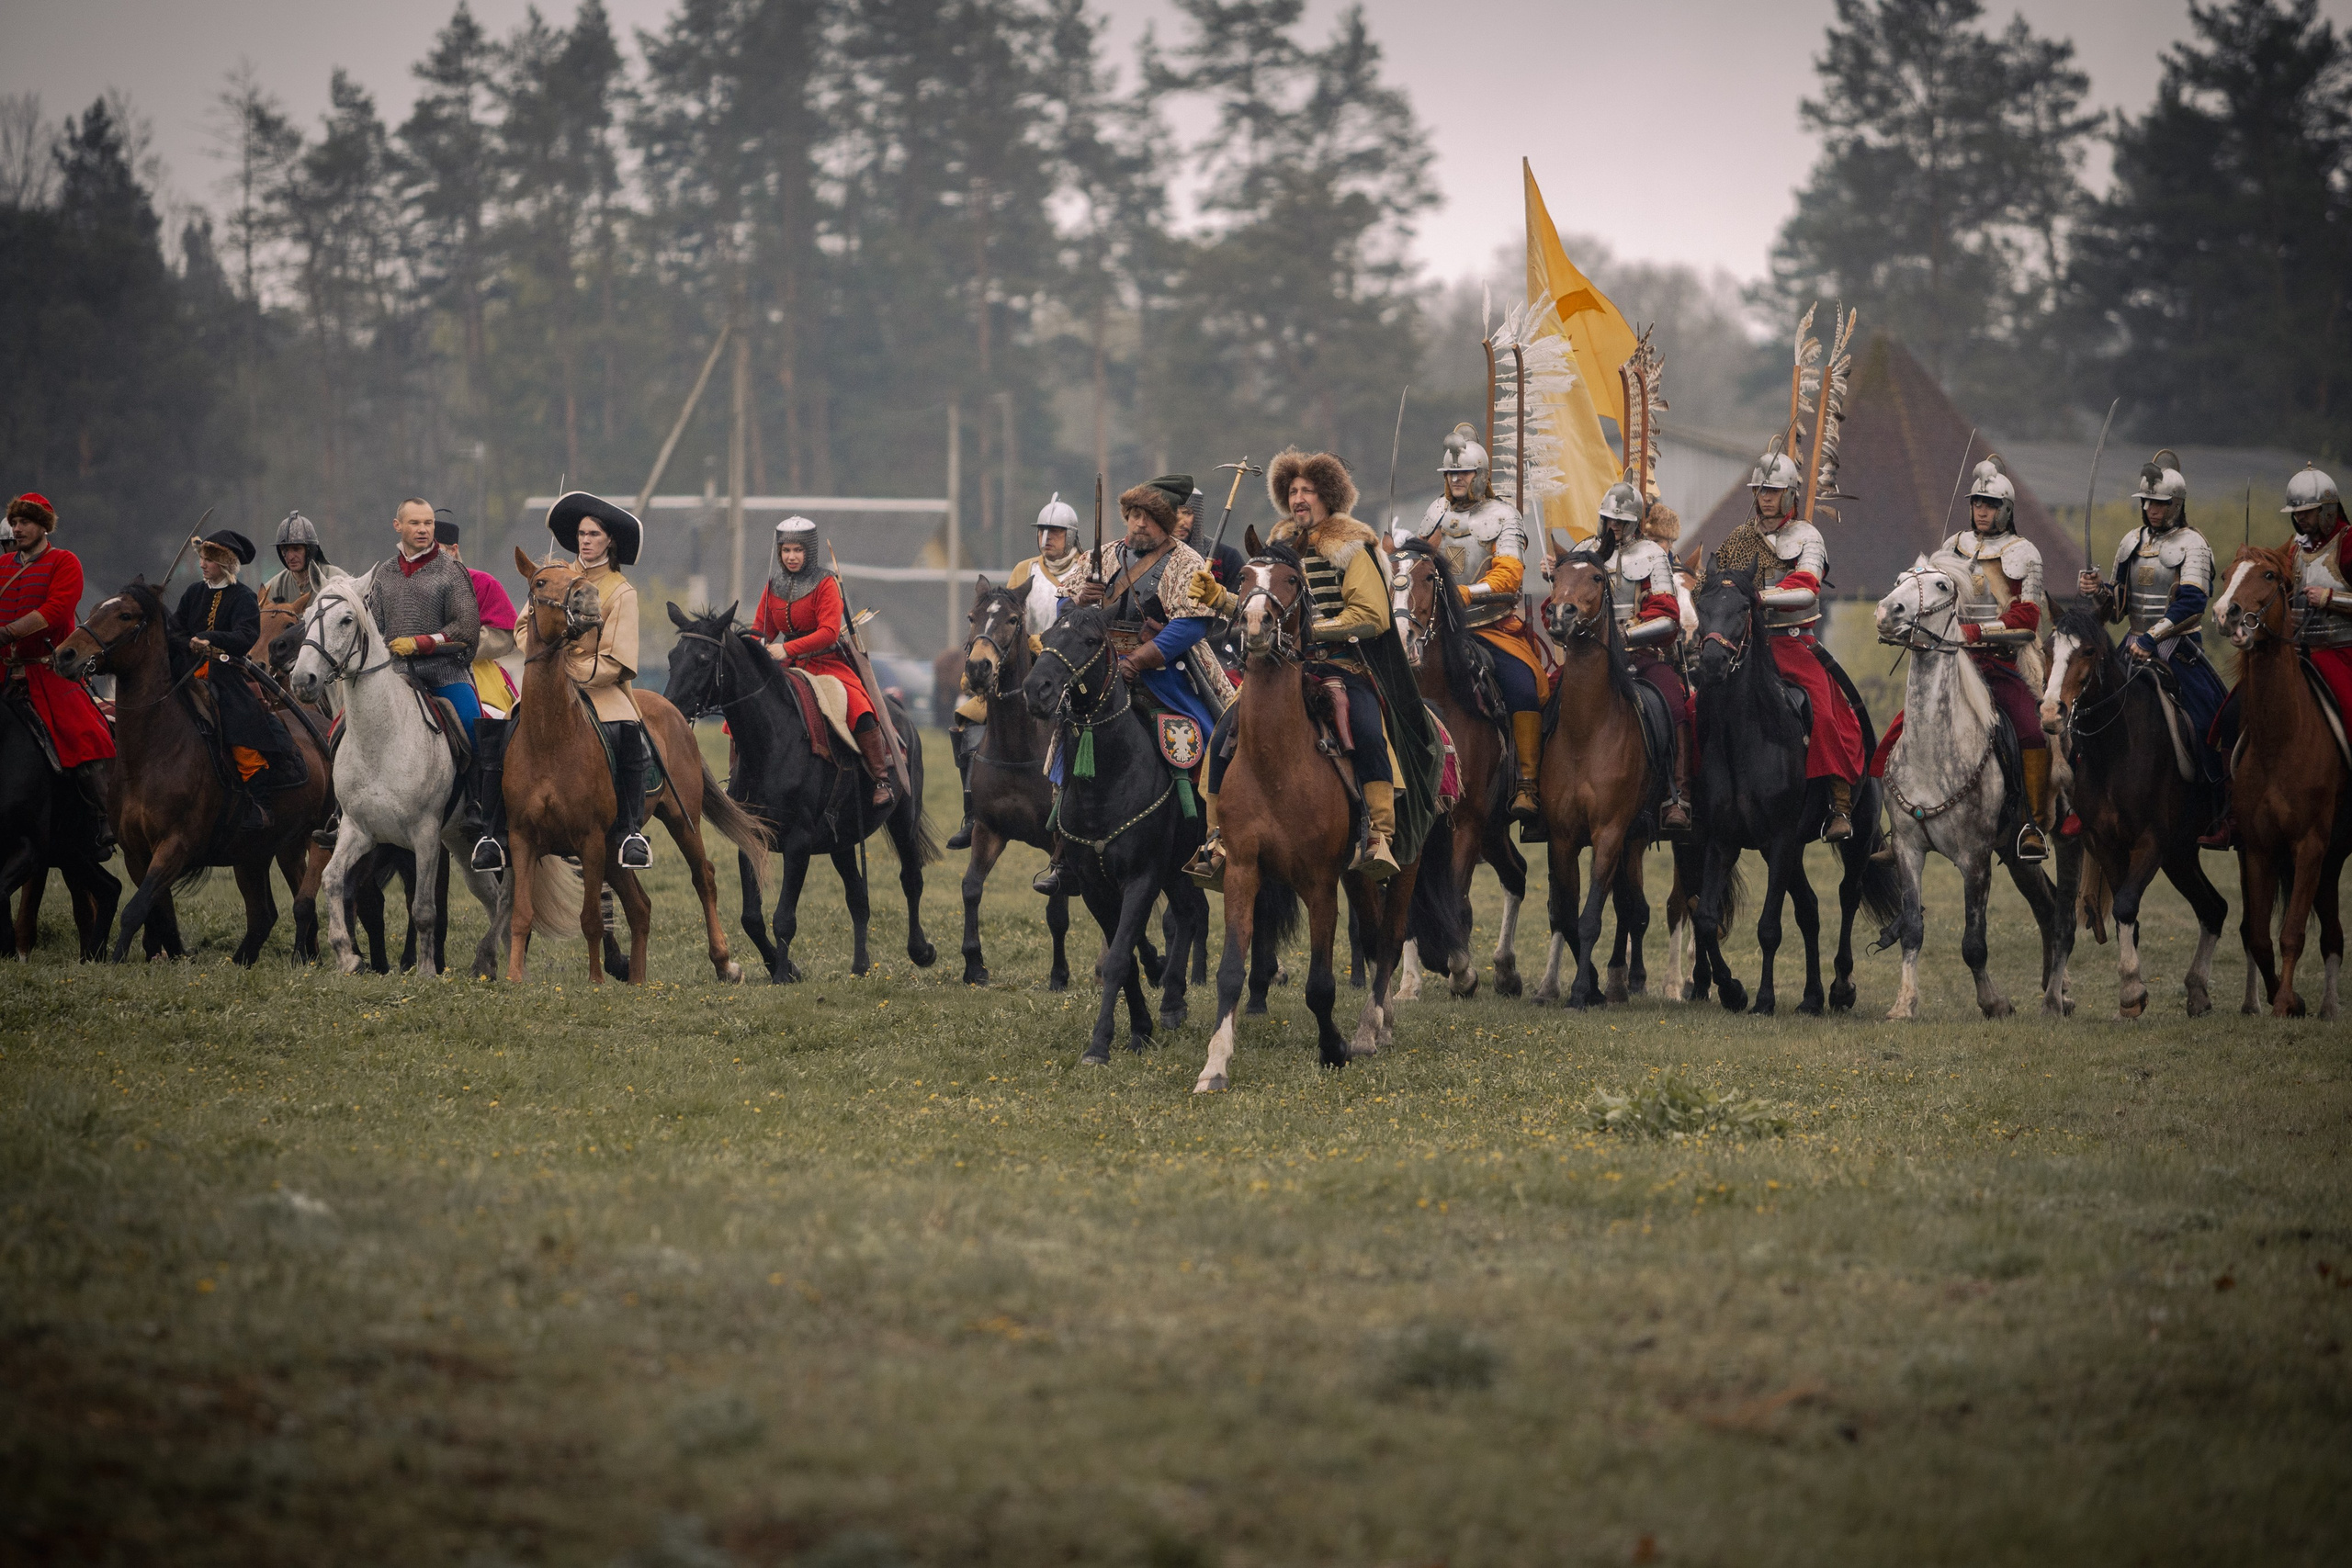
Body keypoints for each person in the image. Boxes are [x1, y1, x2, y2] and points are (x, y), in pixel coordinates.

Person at [1189, 450, 1435, 885]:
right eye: (1292, 491)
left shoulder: (1353, 544)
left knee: (1366, 728)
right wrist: (1218, 598)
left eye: (1308, 491)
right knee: (1225, 730)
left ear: (1329, 496)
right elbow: (1263, 610)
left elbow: (1372, 615)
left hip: (1340, 665)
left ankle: (1379, 834)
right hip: (1285, 667)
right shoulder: (1279, 544)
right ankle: (1216, 839)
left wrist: (1312, 631)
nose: (1298, 498)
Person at [1030, 475, 1223, 896]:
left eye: (1148, 517)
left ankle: (1215, 835)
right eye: (1134, 515)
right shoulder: (1101, 556)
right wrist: (1079, 601)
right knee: (1064, 744)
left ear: (1166, 522)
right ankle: (1065, 851)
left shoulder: (1186, 562)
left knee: (1210, 738)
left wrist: (1137, 661)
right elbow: (1065, 608)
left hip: (1162, 675)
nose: (1138, 523)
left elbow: (1191, 626)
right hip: (1096, 674)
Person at [2077, 448, 2228, 843]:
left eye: (2159, 504)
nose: (2151, 510)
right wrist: (2098, 591)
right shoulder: (2131, 542)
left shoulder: (2193, 544)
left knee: (2210, 720)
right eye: (2146, 502)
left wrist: (2151, 637)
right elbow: (2117, 608)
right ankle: (2083, 802)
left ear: (2176, 504)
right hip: (2131, 643)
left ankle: (2221, 810)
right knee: (2085, 709)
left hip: (2178, 647)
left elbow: (2192, 603)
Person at [1408, 422, 1548, 826]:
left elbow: (1509, 575)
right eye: (1451, 473)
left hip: (1489, 627)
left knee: (1524, 686)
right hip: (1437, 628)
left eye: (1464, 473)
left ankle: (1526, 782)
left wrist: (1467, 593)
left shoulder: (1503, 516)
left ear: (1481, 475)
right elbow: (1417, 563)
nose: (1456, 479)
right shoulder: (1436, 512)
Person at [1724, 449, 1867, 840]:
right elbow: (1719, 585)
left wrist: (1759, 597)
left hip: (1793, 645)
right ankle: (1694, 796)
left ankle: (1839, 805)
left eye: (1773, 491)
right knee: (1702, 705)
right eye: (1761, 491)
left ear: (1789, 494)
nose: (1765, 498)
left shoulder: (1808, 537)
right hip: (1747, 647)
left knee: (1825, 715)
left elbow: (1806, 589)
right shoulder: (1740, 537)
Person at [944, 493, 1088, 851]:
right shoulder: (1024, 570)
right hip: (1022, 669)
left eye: (1055, 532)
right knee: (970, 722)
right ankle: (973, 812)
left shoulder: (1087, 570)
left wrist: (1046, 645)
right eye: (1042, 531)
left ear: (1071, 535)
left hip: (1069, 671)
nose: (1046, 539)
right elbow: (1006, 616)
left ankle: (1084, 814)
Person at [1935, 457, 2052, 860]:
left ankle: (2033, 825)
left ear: (2006, 509)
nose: (1982, 510)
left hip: (2000, 663)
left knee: (2032, 732)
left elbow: (2028, 619)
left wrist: (1977, 632)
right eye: (1977, 503)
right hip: (1955, 661)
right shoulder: (1952, 547)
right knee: (1906, 723)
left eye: (1990, 504)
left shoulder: (2024, 553)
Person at [752, 515, 897, 810]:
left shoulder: (825, 583)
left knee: (859, 705)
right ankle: (739, 777)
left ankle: (880, 779)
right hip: (789, 667)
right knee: (750, 705)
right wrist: (753, 647)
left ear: (809, 550)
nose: (791, 556)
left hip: (827, 663)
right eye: (786, 550)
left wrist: (785, 648)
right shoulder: (773, 585)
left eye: (798, 550)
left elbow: (829, 632)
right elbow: (760, 630)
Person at [543, 491, 654, 868]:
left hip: (600, 686)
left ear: (610, 541)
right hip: (547, 679)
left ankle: (630, 832)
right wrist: (546, 660)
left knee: (628, 732)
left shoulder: (622, 591)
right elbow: (524, 629)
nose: (585, 541)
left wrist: (569, 672)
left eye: (594, 534)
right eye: (581, 534)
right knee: (506, 724)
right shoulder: (554, 575)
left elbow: (617, 659)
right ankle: (494, 829)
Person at [0, 491, 115, 852]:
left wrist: (9, 632)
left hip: (48, 673)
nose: (18, 529)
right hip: (3, 672)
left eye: (25, 522)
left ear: (43, 526)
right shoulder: (2, 566)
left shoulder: (64, 562)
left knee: (85, 733)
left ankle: (105, 815)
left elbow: (56, 610)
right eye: (15, 523)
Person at [169, 528, 293, 824]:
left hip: (224, 675)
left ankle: (260, 805)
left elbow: (245, 636)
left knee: (242, 734)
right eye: (202, 558)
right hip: (185, 671)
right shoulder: (193, 593)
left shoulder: (243, 597)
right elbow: (174, 630)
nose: (202, 564)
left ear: (225, 564)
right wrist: (188, 643)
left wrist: (209, 638)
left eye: (209, 559)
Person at [1595, 479, 1691, 833]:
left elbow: (1668, 616)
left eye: (1621, 521)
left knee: (1676, 704)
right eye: (1610, 519)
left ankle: (1676, 795)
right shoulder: (1586, 551)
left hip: (1642, 656)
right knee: (1550, 696)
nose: (1614, 526)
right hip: (1594, 657)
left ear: (1635, 522)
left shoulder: (1651, 555)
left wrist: (1627, 633)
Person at [432, 516, 524, 873]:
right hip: (414, 674)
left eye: (436, 551)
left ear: (454, 550)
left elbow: (504, 636)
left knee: (482, 727)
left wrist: (457, 645)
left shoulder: (482, 583)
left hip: (475, 675)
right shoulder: (406, 586)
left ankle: (480, 805)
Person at [2283, 462, 2352, 722]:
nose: (2300, 518)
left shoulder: (2349, 543)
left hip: (2342, 651)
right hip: (2297, 651)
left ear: (2327, 510)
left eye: (2307, 511)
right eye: (2296, 512)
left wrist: (2329, 598)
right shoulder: (2296, 549)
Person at [260, 511, 330, 609]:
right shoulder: (273, 588)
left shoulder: (336, 579)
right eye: (285, 550)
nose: (290, 557)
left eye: (296, 549)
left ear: (310, 550)